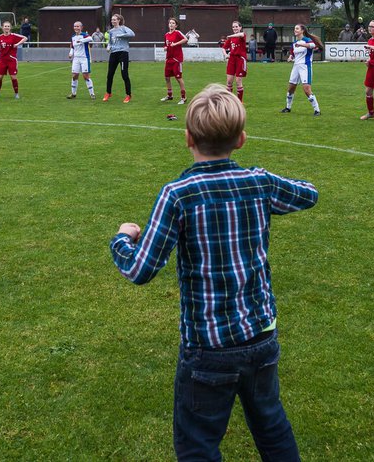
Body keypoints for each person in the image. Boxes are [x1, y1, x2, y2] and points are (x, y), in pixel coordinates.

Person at [110, 84, 318, 461]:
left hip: (207, 346)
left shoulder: (179, 193)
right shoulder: (259, 182)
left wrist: (122, 239)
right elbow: (309, 193)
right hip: (260, 335)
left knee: (197, 446)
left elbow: (140, 269)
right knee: (271, 426)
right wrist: (265, 183)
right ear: (241, 140)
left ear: (188, 138)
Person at [281, 23, 322, 116]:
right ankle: (288, 107)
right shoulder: (294, 43)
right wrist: (290, 57)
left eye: (297, 28)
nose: (295, 30)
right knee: (291, 88)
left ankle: (317, 110)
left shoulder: (307, 40)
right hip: (296, 67)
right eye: (294, 28)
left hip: (305, 67)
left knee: (307, 89)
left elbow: (313, 45)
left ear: (302, 31)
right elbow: (292, 53)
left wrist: (302, 45)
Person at [0, 20, 27, 99]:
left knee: (13, 77)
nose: (7, 28)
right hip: (2, 60)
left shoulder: (13, 36)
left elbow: (25, 38)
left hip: (11, 60)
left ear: (10, 28)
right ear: (2, 28)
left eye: (8, 26)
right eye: (5, 26)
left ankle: (16, 93)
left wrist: (17, 44)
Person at [104, 13, 136, 102]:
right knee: (110, 74)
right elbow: (110, 42)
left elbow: (132, 34)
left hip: (123, 53)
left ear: (119, 20)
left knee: (124, 74)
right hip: (114, 54)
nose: (113, 21)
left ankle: (128, 95)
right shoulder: (111, 31)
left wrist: (121, 35)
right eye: (112, 19)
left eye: (114, 19)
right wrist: (108, 47)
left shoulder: (123, 28)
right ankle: (108, 93)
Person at [161, 18, 189, 104]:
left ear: (176, 25)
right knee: (167, 77)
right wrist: (165, 48)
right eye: (170, 23)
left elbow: (185, 39)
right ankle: (170, 95)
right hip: (168, 59)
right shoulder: (166, 35)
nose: (171, 24)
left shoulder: (177, 33)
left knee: (178, 78)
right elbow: (165, 45)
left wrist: (175, 44)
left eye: (173, 23)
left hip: (176, 59)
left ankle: (183, 97)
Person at [66, 20, 96, 99]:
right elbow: (73, 46)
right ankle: (73, 93)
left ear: (81, 27)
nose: (76, 28)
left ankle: (92, 94)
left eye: (78, 26)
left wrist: (81, 41)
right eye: (75, 26)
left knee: (85, 76)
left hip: (84, 58)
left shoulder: (84, 35)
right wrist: (70, 53)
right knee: (74, 75)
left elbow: (91, 39)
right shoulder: (73, 37)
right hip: (76, 59)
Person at [223, 20, 248, 101]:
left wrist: (230, 36)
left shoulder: (242, 35)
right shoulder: (231, 38)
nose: (235, 28)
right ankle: (229, 101)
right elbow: (223, 48)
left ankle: (239, 102)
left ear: (240, 27)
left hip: (240, 59)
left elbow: (241, 34)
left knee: (238, 81)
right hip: (232, 59)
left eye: (236, 26)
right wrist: (226, 55)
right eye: (233, 27)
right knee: (229, 81)